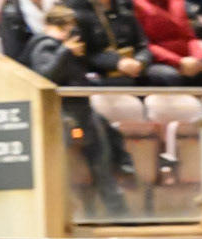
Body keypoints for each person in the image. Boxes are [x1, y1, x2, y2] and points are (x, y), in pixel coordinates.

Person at [23, 4, 131, 215]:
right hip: (61, 115)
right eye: (68, 28)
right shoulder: (43, 46)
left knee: (103, 166)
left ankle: (120, 216)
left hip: (82, 112)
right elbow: (45, 76)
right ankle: (60, 215)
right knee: (59, 171)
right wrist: (65, 52)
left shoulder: (67, 49)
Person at [66, 0, 183, 85]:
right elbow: (83, 54)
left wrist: (140, 62)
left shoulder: (125, 8)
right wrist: (117, 63)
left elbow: (143, 45)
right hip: (99, 70)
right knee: (123, 82)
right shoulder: (76, 12)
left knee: (168, 76)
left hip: (134, 66)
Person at [132, 0, 202, 83]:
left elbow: (190, 38)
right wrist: (178, 61)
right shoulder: (135, 5)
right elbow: (145, 45)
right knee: (169, 76)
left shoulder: (178, 3)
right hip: (154, 59)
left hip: (189, 58)